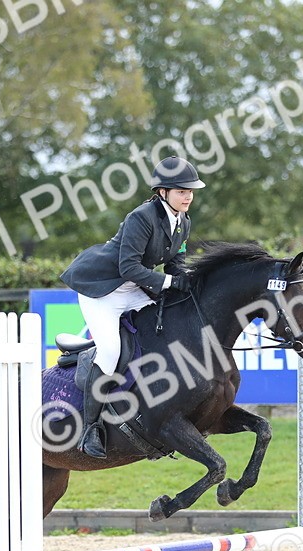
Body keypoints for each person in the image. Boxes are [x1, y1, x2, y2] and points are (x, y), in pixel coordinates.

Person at [59, 155, 205, 458]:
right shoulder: (142, 217)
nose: (188, 196)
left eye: (190, 191)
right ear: (162, 192)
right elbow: (128, 267)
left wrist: (189, 280)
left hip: (136, 289)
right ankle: (90, 430)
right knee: (110, 350)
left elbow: (176, 262)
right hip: (103, 291)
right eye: (181, 191)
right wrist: (166, 284)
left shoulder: (183, 221)